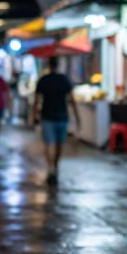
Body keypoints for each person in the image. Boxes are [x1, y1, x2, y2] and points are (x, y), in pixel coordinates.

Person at [32, 56, 81, 184]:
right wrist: (77, 117)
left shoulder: (43, 80)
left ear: (48, 65)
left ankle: (51, 168)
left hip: (47, 116)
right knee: (59, 145)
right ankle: (55, 166)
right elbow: (72, 100)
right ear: (58, 65)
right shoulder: (64, 80)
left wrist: (34, 116)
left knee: (49, 144)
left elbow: (36, 101)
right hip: (62, 117)